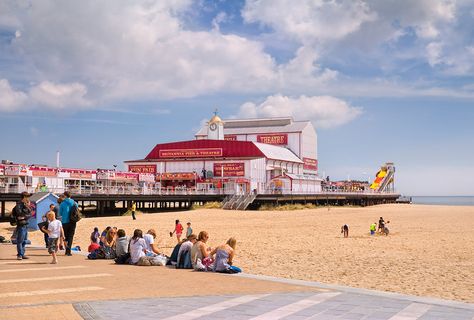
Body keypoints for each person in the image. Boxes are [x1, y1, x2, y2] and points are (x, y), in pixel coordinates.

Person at [13, 192, 33, 260]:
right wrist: (25, 215)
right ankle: (19, 255)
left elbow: (30, 214)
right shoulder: (18, 205)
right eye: (27, 197)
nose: (28, 198)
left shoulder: (26, 205)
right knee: (20, 240)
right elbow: (19, 213)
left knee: (24, 240)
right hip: (21, 224)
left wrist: (27, 206)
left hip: (26, 224)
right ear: (24, 197)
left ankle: (22, 254)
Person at [59, 191, 78, 256]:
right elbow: (77, 211)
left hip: (65, 221)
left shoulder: (62, 203)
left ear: (65, 196)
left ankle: (66, 250)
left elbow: (60, 213)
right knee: (70, 236)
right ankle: (68, 251)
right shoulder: (74, 203)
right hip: (73, 221)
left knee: (65, 237)